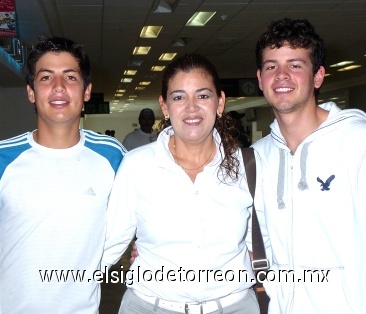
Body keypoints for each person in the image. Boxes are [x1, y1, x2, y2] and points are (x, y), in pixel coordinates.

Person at [252, 18, 366, 313]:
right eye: (271, 66)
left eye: (295, 65)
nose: (282, 75)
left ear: (318, 76)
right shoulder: (258, 157)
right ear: (260, 79)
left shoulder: (361, 144)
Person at [0, 37, 125, 313]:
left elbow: (143, 217)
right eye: (46, 77)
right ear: (31, 92)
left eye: (70, 77)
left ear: (87, 91)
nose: (59, 87)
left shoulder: (113, 157)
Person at [101, 53, 260, 313]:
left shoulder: (246, 166)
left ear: (220, 102)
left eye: (203, 95)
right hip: (150, 305)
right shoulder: (137, 165)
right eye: (178, 97)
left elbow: (263, 239)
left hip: (233, 306)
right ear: (164, 106)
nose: (191, 107)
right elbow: (110, 242)